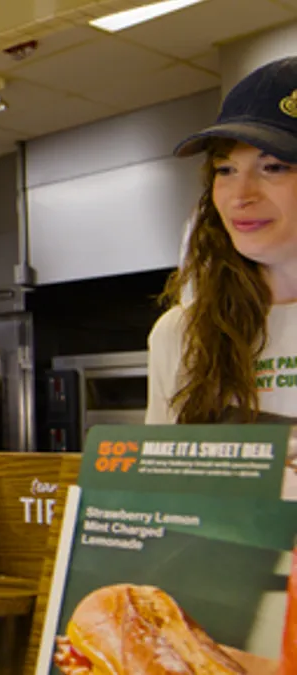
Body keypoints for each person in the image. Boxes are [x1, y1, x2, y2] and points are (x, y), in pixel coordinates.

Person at [147, 55, 297, 424]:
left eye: (273, 167)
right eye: (225, 170)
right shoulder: (181, 335)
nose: (240, 195)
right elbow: (158, 482)